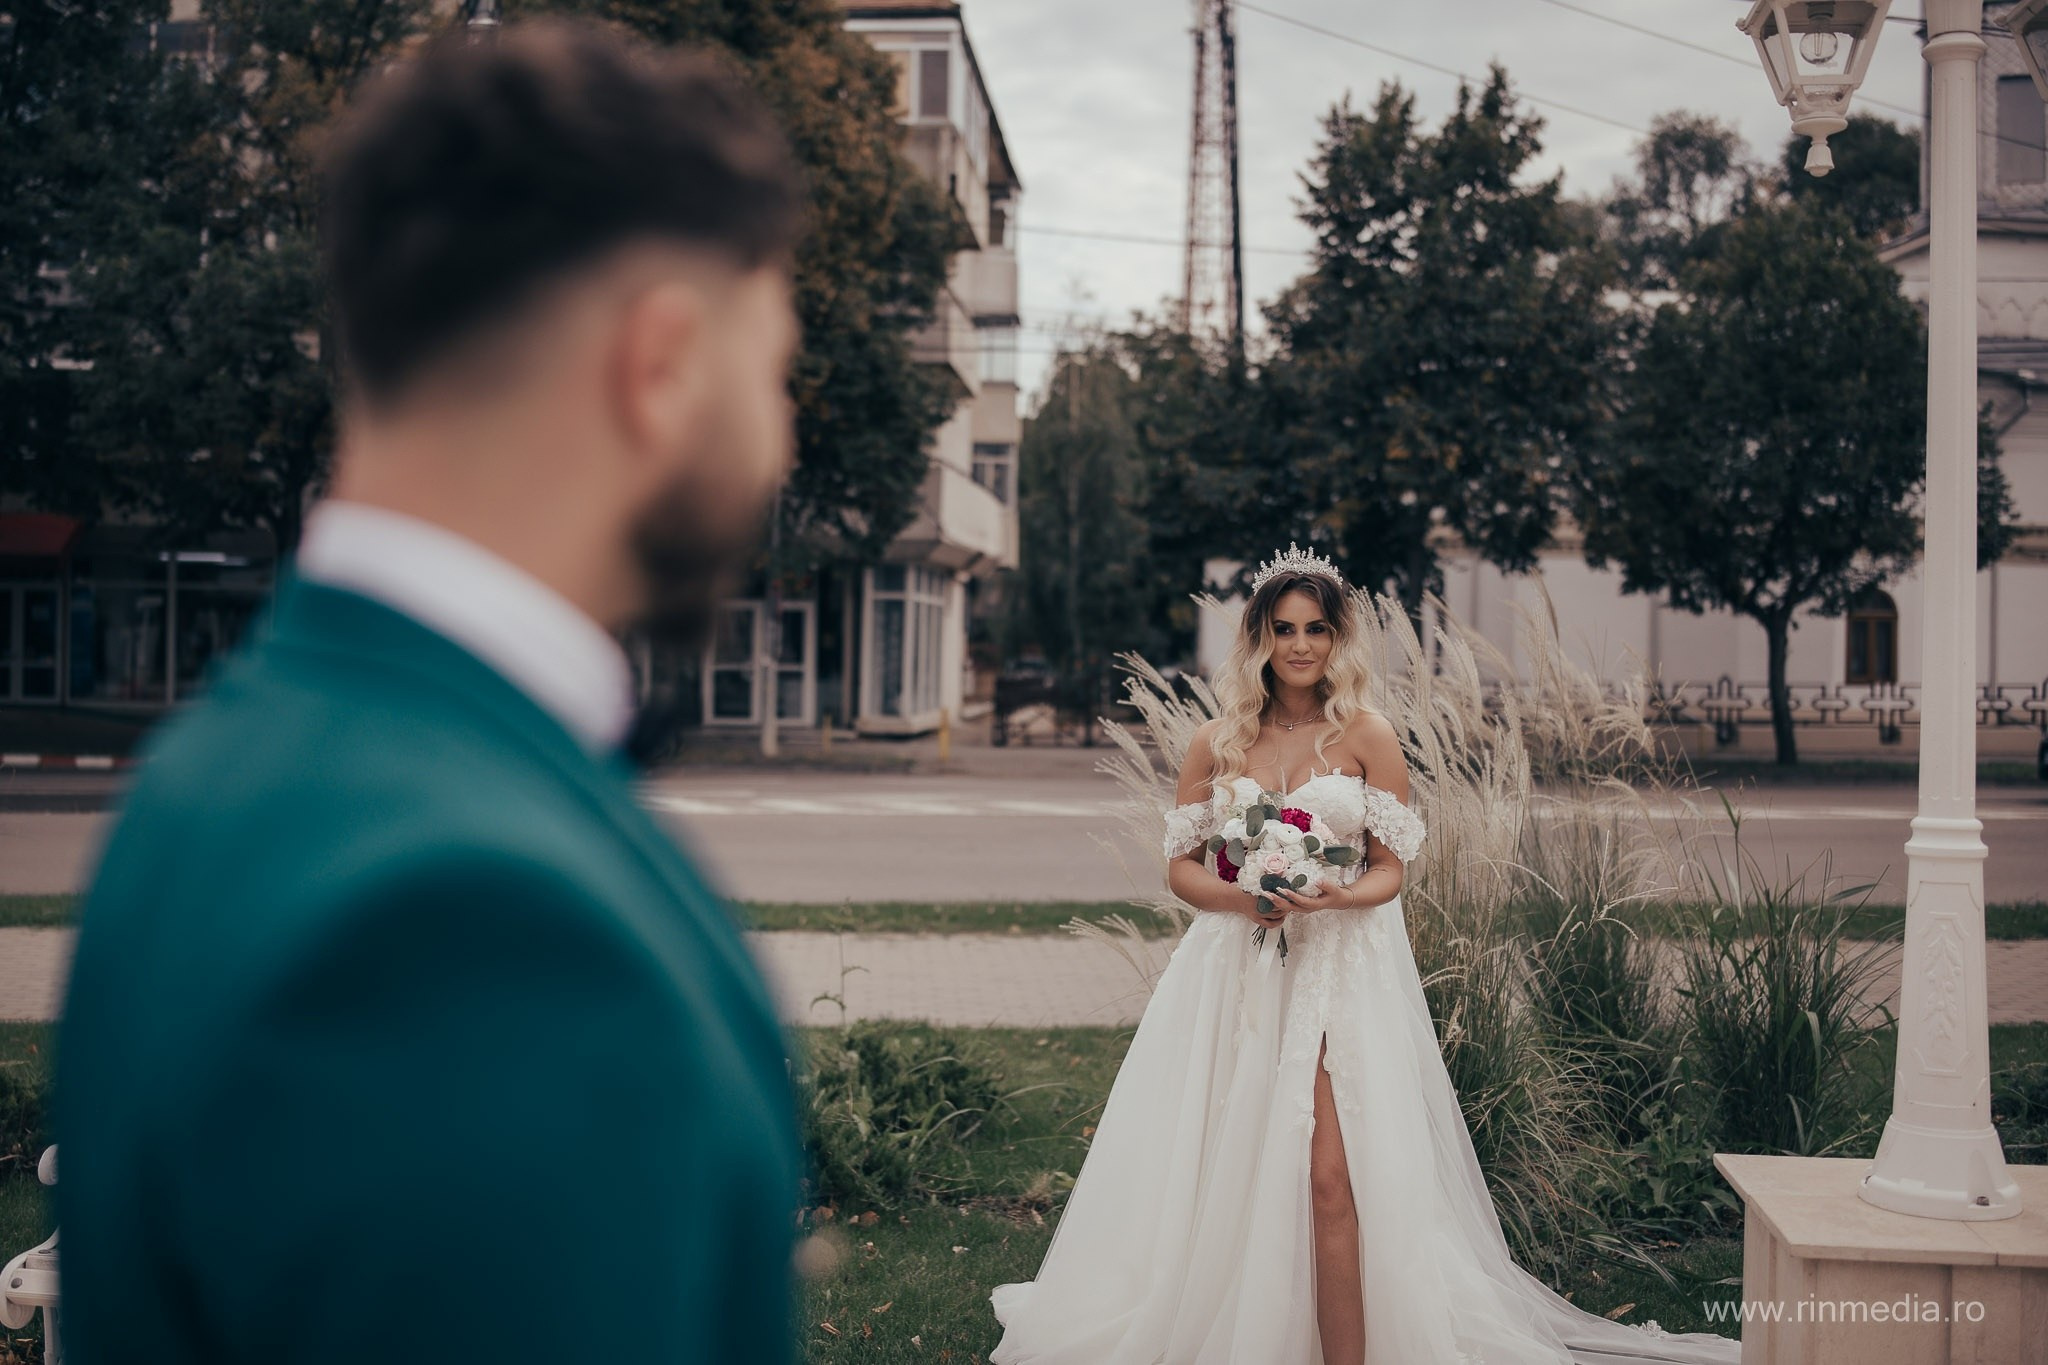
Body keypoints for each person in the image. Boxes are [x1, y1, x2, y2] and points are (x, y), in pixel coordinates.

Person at [55, 20, 808, 1364]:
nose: (781, 437)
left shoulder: (213, 766)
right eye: (777, 369)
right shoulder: (480, 925)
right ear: (664, 363)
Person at [989, 545, 1742, 1365]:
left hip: (1338, 969)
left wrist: (1335, 896)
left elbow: (1391, 865)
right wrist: (1253, 899)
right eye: (1285, 629)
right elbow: (1179, 869)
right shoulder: (1217, 740)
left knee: (1326, 1179)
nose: (1301, 645)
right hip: (1237, 969)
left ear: (1338, 636)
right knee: (1230, 1172)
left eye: (1316, 628)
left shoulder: (1368, 735)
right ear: (1261, 637)